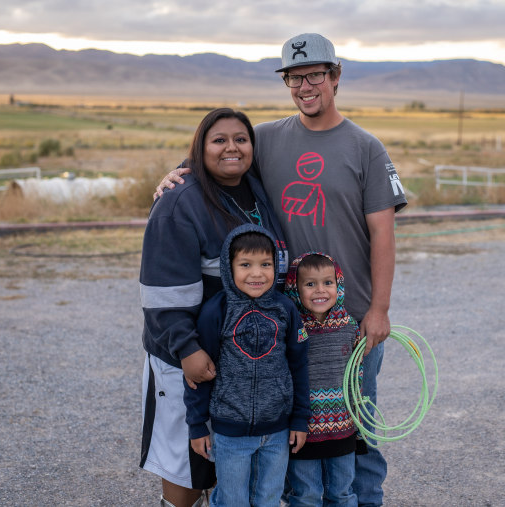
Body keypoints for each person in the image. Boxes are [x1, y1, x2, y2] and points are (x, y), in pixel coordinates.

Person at [156, 33, 407, 506]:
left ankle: (366, 500)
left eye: (315, 75)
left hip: (348, 320)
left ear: (336, 77)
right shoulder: (267, 138)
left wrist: (379, 309)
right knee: (291, 430)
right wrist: (175, 171)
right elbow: (219, 157)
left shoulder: (365, 147)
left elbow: (384, 235)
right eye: (295, 77)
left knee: (358, 424)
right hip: (280, 318)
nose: (305, 86)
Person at [139, 108, 290, 507]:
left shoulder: (254, 189)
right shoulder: (179, 203)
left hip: (242, 358)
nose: (231, 148)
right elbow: (161, 294)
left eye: (241, 139)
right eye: (218, 140)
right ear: (200, 147)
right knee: (188, 461)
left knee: (234, 462)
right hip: (189, 355)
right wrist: (187, 349)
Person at [184, 224, 310, 506]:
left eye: (265, 264)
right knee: (232, 501)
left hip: (278, 431)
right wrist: (197, 425)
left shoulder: (286, 309)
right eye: (245, 264)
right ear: (229, 267)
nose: (257, 273)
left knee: (268, 498)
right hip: (230, 433)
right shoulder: (217, 311)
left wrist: (300, 419)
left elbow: (299, 366)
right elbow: (199, 375)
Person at [283, 252, 363, 506]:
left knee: (341, 492)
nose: (320, 290)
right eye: (310, 284)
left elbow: (356, 377)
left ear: (338, 286)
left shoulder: (349, 326)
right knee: (305, 494)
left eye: (328, 283)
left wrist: (358, 421)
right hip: (303, 429)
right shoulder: (292, 328)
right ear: (295, 288)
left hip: (342, 426)